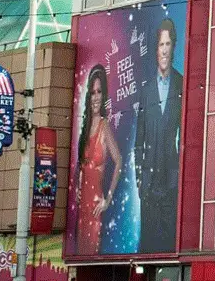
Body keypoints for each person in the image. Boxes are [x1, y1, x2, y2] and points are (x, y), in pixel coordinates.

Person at [134, 18, 183, 252]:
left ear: (173, 47)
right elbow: (139, 140)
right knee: (147, 247)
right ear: (155, 50)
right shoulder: (146, 90)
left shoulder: (181, 84)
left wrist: (180, 175)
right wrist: (139, 179)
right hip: (149, 183)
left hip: (170, 181)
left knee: (168, 246)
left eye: (168, 44)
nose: (164, 49)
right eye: (160, 44)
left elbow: (186, 138)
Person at [76, 65, 122, 254]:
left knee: (92, 252)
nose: (95, 96)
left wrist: (108, 199)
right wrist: (79, 185)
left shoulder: (105, 126)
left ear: (103, 95)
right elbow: (81, 164)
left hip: (96, 206)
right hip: (82, 208)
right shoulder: (85, 127)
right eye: (92, 92)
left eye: (99, 91)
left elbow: (119, 160)